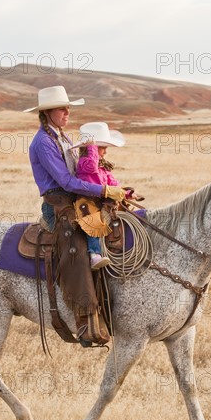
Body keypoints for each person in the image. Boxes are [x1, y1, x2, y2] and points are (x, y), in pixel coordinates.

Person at [24, 87, 125, 346]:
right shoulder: (43, 142)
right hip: (58, 205)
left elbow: (81, 175)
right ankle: (85, 322)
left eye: (68, 108)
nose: (67, 112)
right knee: (79, 247)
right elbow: (67, 182)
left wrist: (107, 189)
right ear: (47, 113)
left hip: (76, 199)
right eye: (61, 108)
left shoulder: (64, 137)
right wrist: (102, 189)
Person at [72, 122, 141, 270]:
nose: (106, 152)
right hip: (88, 201)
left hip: (102, 200)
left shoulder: (103, 167)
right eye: (103, 148)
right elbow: (92, 165)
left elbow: (113, 184)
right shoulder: (84, 163)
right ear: (93, 150)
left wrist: (127, 194)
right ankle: (94, 255)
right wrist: (92, 147)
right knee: (93, 221)